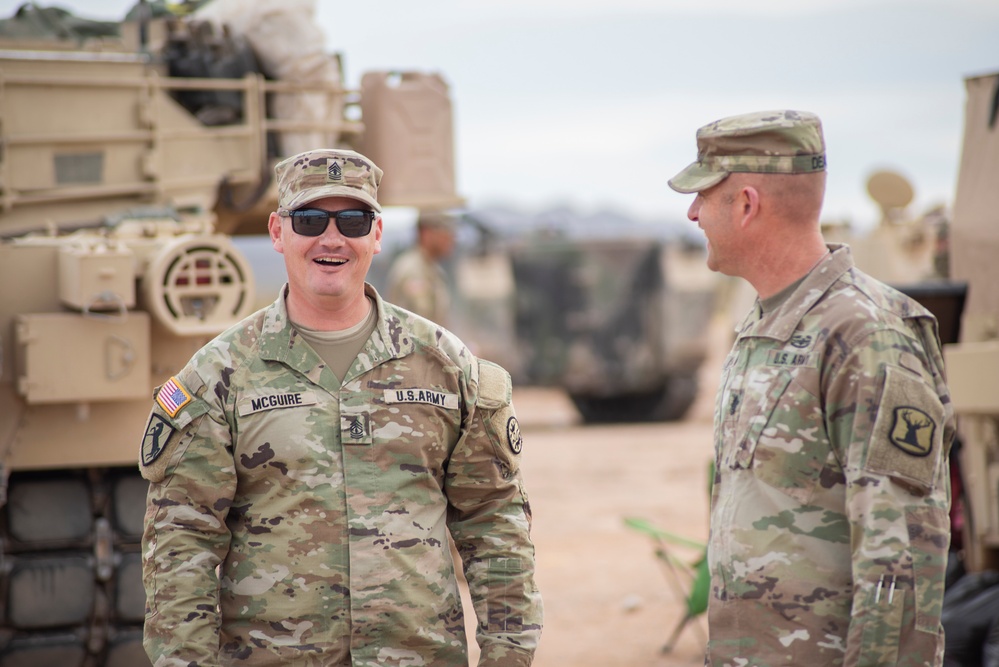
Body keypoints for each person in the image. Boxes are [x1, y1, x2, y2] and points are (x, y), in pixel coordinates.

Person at [139, 148, 542, 666]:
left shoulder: (446, 366)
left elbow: (493, 523)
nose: (332, 238)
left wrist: (507, 657)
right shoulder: (220, 375)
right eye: (309, 220)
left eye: (352, 220)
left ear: (376, 234)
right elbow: (182, 541)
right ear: (278, 231)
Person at [667, 110, 954, 666]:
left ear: (747, 204)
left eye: (704, 195)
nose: (693, 211)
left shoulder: (866, 334)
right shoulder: (765, 325)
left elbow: (900, 554)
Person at [386, 209, 457, 326]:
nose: (452, 238)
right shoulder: (413, 269)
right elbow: (418, 326)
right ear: (426, 233)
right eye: (445, 231)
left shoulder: (432, 269)